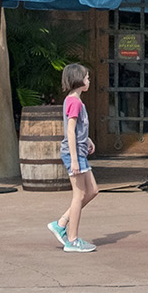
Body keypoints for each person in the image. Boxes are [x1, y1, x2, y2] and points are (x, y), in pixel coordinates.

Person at [48, 63, 98, 253]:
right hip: (74, 153)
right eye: (86, 78)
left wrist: (88, 140)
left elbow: (77, 129)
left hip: (80, 151)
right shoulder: (74, 102)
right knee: (79, 195)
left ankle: (61, 223)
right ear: (78, 80)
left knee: (92, 190)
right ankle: (72, 239)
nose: (89, 80)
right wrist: (75, 159)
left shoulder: (74, 100)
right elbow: (69, 130)